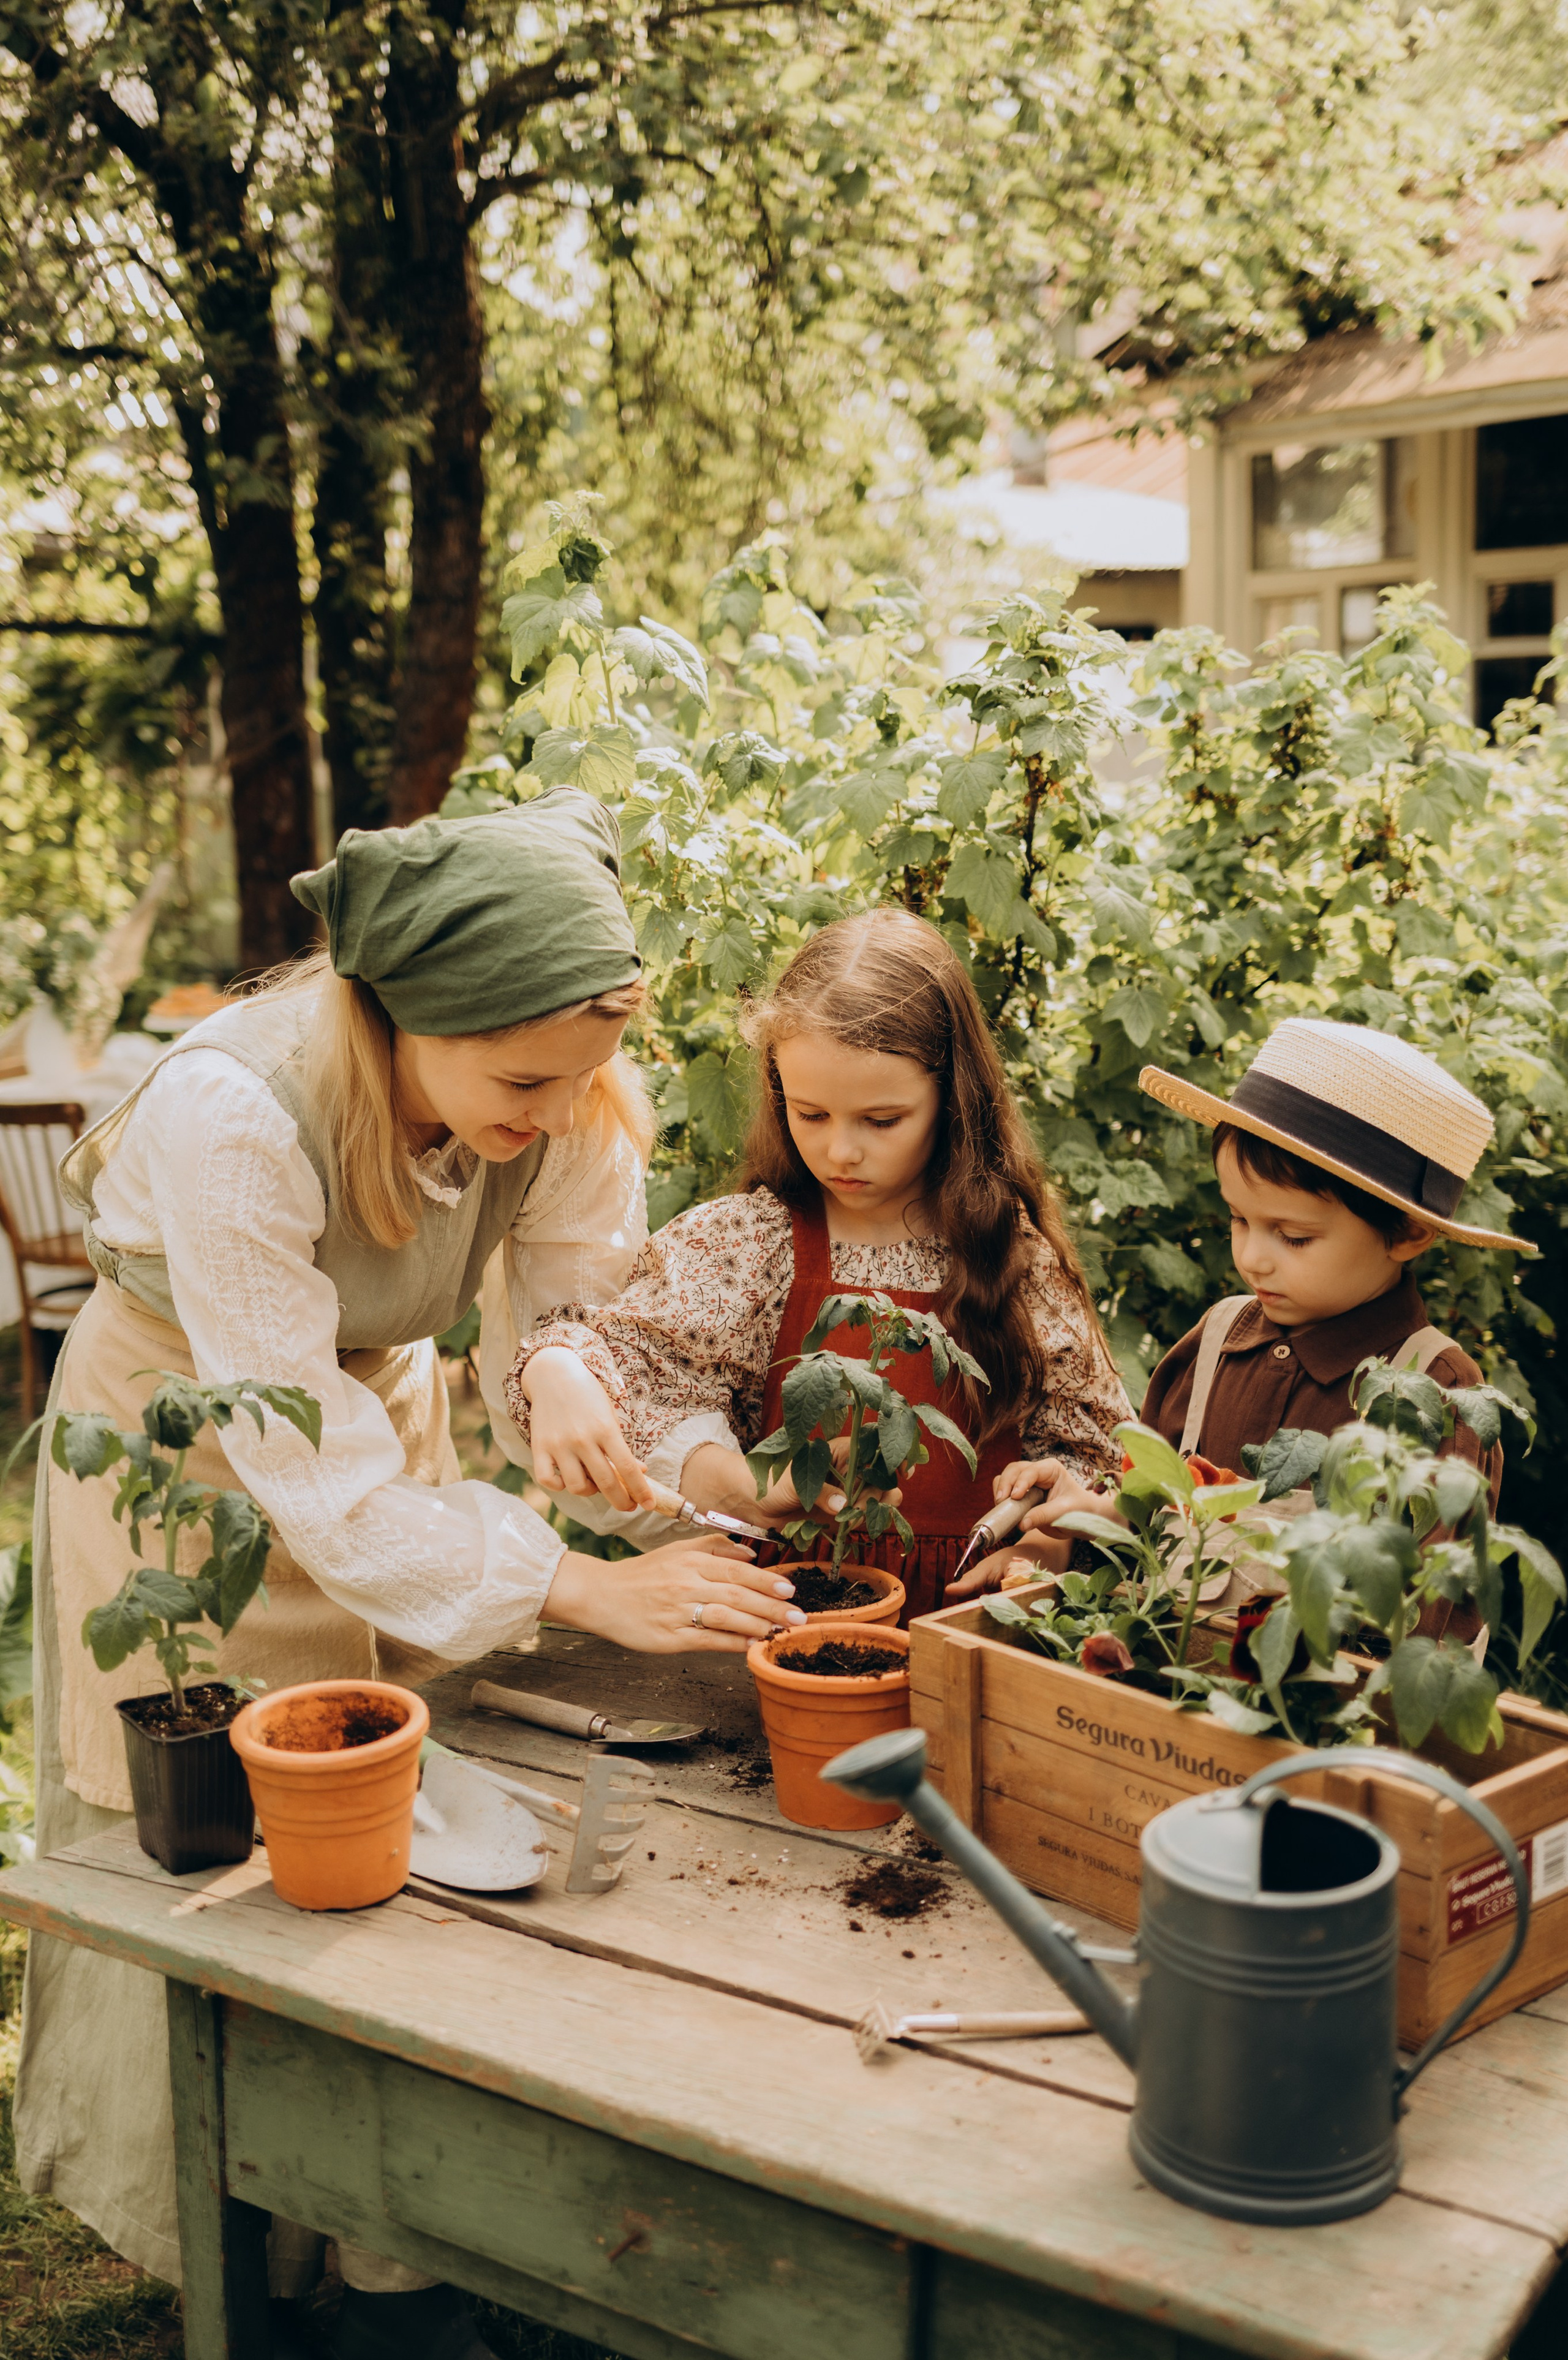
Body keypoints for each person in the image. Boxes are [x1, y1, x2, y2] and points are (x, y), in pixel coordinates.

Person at [17, 791, 804, 2360]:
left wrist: (626, 1436)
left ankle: (397, 2244)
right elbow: (297, 1463)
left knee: (393, 1823)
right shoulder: (231, 1112)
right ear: (400, 1018)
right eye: (523, 1077)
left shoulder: (565, 1095)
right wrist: (575, 1590)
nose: (557, 1105)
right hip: (188, 1448)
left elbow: (566, 1354)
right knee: (215, 1844)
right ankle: (232, 2245)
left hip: (371, 1410)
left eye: (581, 1075)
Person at [503, 909, 1130, 1622]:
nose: (840, 1152)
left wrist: (1049, 1544)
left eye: (882, 1120)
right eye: (810, 1114)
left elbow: (1098, 1451)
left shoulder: (1010, 1255)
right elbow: (613, 1353)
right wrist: (557, 1370)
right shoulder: (755, 1243)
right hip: (793, 1619)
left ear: (952, 1100)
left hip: (977, 1621)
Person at [998, 1018, 1531, 1570]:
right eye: (1238, 1219)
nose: (1252, 1257)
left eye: (1294, 1237)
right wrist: (1077, 1522)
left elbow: (1427, 1613)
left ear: (1407, 1233)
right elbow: (1144, 1518)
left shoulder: (1438, 1396)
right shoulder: (1215, 1344)